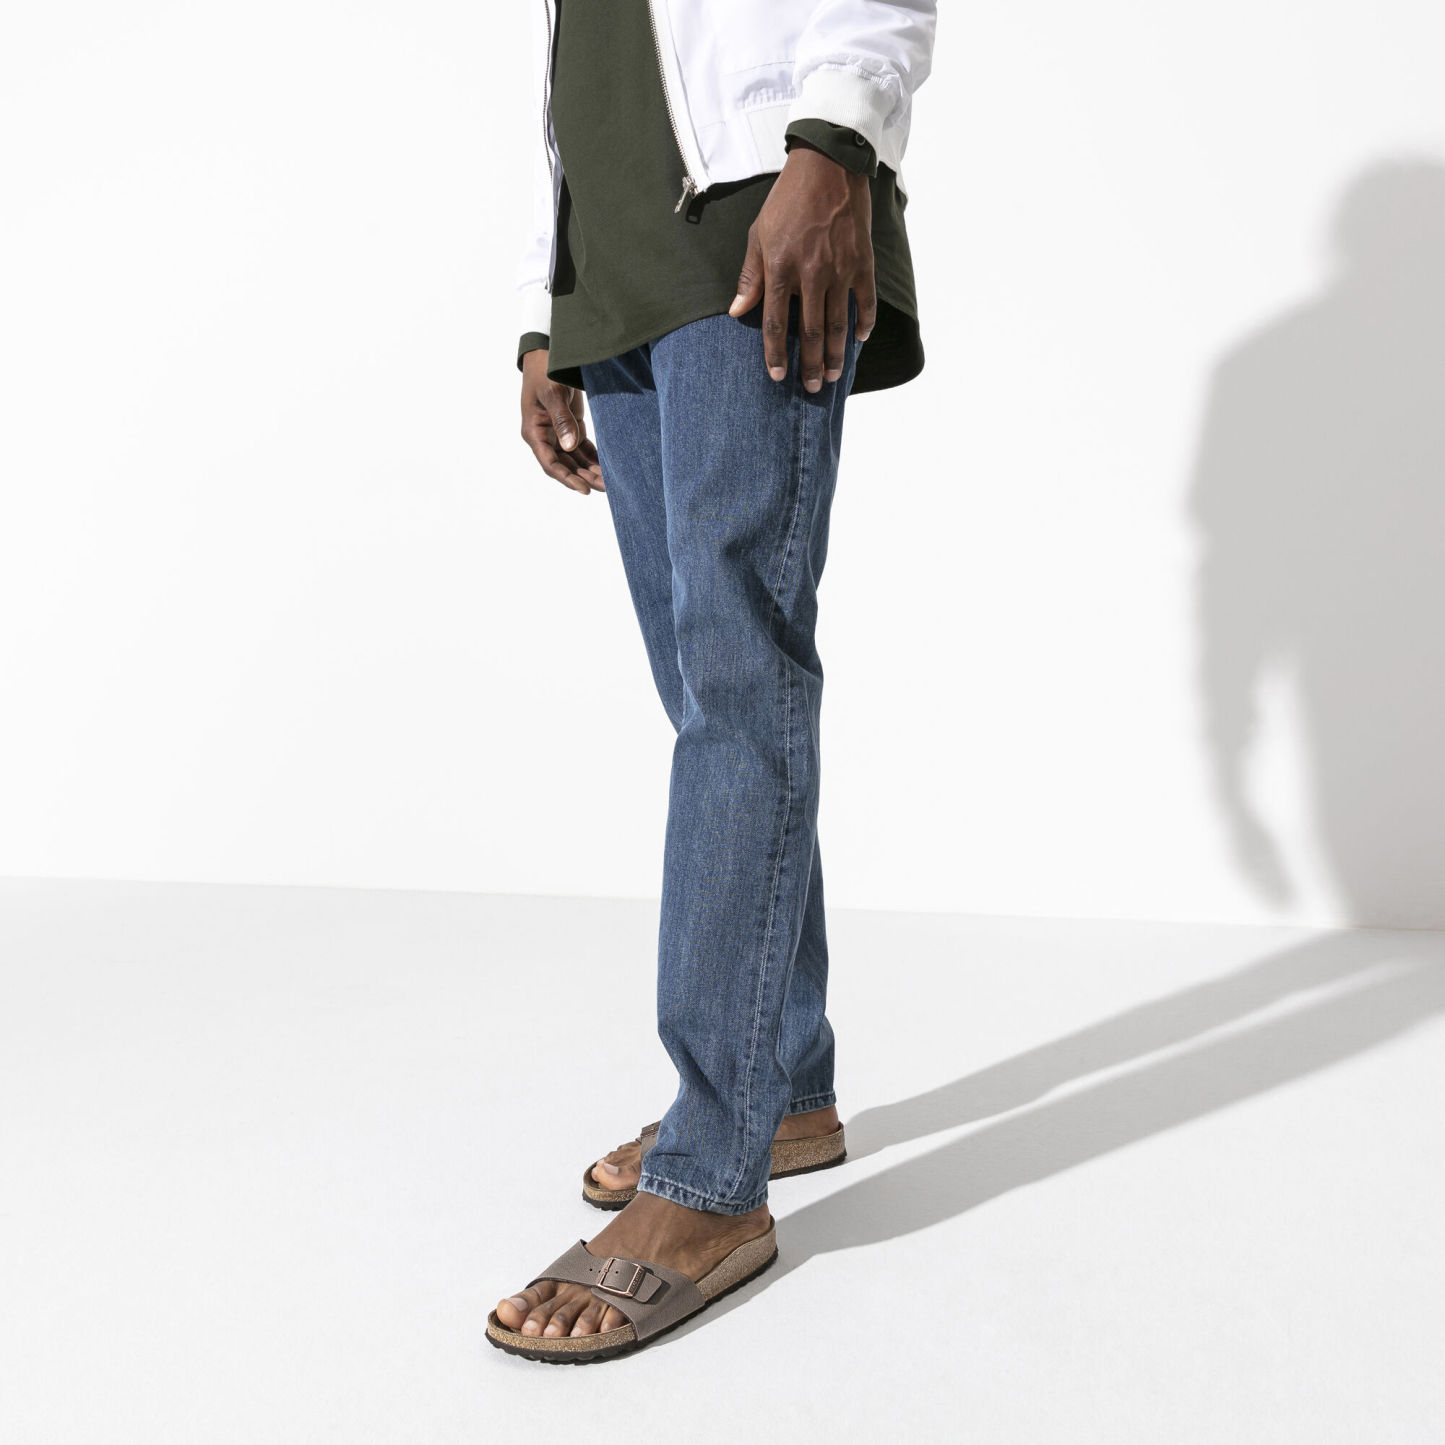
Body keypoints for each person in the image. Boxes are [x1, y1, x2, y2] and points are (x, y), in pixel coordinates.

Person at [487, 0, 937, 1363]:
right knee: (708, 693)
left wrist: (834, 150)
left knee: (740, 686)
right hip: (614, 270)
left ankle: (709, 1176)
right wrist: (549, 308)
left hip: (749, 222)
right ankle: (781, 1081)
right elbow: (583, 64)